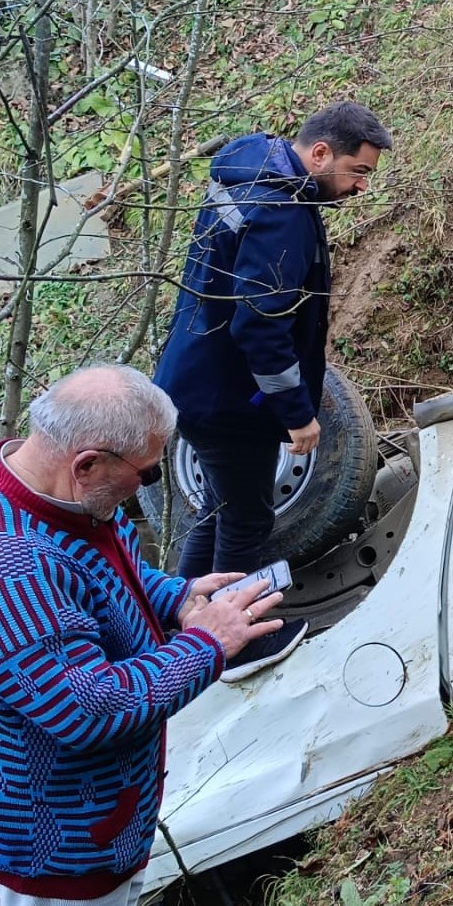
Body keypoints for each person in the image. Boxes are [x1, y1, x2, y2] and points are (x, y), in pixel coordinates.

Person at [0, 365, 285, 906]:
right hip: (54, 851)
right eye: (146, 472)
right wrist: (208, 642)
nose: (153, 482)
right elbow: (91, 709)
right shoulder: (1, 566)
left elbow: (97, 583)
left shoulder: (54, 494)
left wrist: (177, 598)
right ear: (87, 463)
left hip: (105, 824)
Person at [152, 101, 390, 677]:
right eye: (357, 172)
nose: (360, 188)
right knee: (248, 519)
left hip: (198, 377)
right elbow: (261, 324)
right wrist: (297, 413)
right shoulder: (280, 210)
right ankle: (237, 644)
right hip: (227, 396)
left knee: (223, 506)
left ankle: (183, 622)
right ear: (319, 153)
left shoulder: (253, 172)